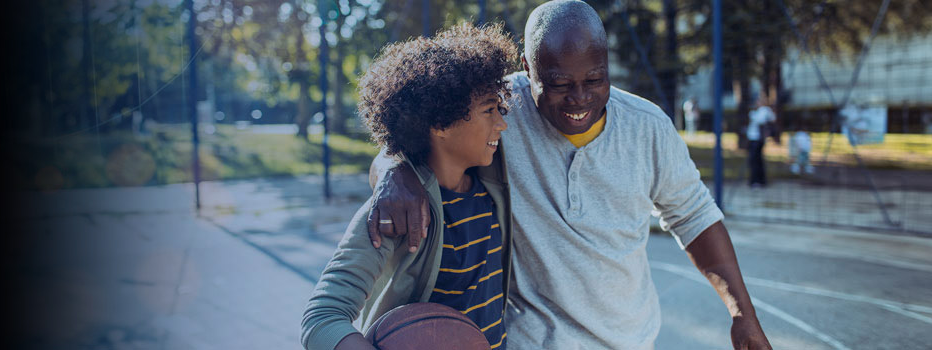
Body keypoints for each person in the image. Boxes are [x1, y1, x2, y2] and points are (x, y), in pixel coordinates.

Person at [364, 1, 772, 349]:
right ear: (528, 68)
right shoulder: (500, 110)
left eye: (594, 79)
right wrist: (394, 172)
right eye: (559, 84)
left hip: (629, 339)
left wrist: (742, 314)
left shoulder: (648, 127)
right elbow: (412, 139)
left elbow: (695, 216)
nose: (579, 98)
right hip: (532, 340)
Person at [302, 23, 517, 350]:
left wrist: (389, 165)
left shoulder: (493, 183)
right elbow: (322, 317)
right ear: (441, 124)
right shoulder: (397, 211)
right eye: (489, 110)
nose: (502, 122)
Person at [747, 101, 776, 187]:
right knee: (756, 160)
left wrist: (753, 115)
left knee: (755, 160)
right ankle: (759, 180)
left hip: (757, 139)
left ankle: (757, 181)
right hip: (753, 139)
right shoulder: (759, 111)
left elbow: (762, 120)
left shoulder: (764, 110)